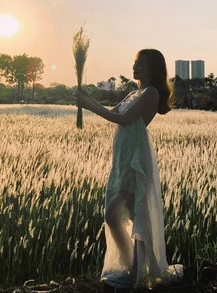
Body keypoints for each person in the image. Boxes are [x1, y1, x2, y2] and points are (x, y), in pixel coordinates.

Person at [76, 49, 183, 289]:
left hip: (136, 158)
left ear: (153, 68)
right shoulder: (135, 92)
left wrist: (90, 106)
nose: (135, 68)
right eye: (134, 63)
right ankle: (131, 265)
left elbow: (124, 120)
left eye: (140, 64)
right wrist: (89, 100)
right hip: (123, 158)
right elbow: (115, 112)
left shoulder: (151, 93)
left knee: (135, 216)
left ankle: (136, 273)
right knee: (112, 215)